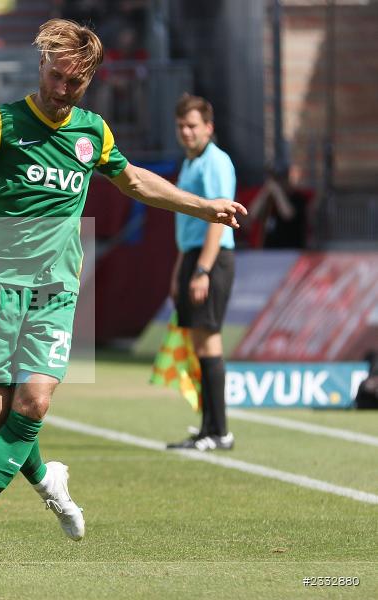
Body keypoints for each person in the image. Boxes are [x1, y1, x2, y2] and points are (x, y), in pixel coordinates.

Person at [0, 19, 245, 566]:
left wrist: (203, 206)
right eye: (54, 76)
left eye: (73, 83)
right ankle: (49, 478)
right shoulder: (2, 122)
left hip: (56, 288)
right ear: (42, 69)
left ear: (90, 80)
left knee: (35, 400)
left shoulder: (93, 133)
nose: (60, 89)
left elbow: (138, 182)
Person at [165, 93, 237, 452]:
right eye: (181, 126)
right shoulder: (190, 163)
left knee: (209, 341)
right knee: (199, 345)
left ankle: (219, 431)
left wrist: (203, 270)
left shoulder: (216, 162)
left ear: (208, 127)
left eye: (192, 125)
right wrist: (182, 268)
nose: (186, 132)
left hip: (213, 258)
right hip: (192, 257)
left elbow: (218, 221)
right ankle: (208, 427)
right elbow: (187, 227)